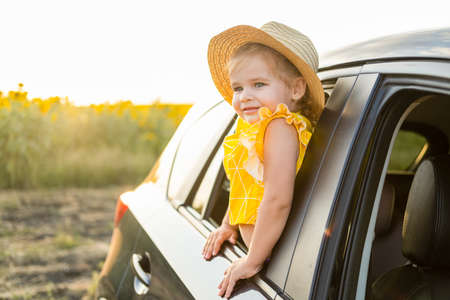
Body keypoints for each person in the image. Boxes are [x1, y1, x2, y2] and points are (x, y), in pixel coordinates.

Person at [202, 21, 325, 298]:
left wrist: (252, 260)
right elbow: (247, 185)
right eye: (238, 88)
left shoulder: (280, 127)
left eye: (258, 84)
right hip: (264, 256)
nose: (244, 97)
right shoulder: (257, 128)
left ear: (296, 89)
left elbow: (277, 199)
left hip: (273, 262)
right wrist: (228, 224)